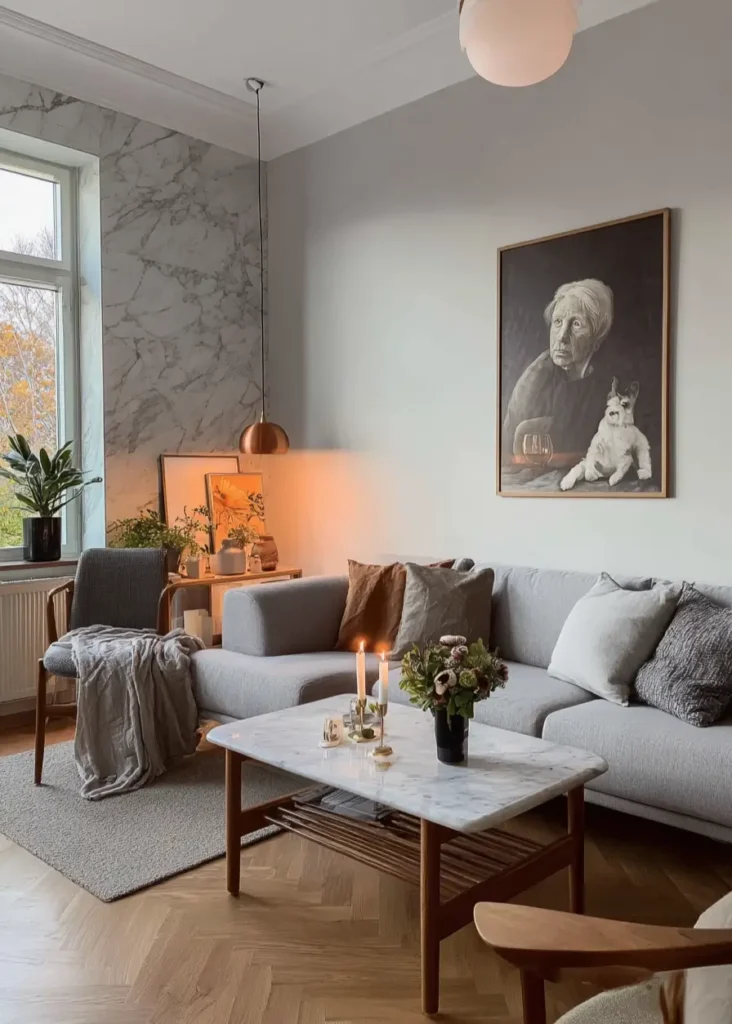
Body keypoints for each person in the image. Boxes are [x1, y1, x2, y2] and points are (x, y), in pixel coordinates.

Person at [502, 278, 615, 460]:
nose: (562, 336)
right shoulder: (536, 378)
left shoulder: (611, 385)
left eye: (576, 324)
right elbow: (507, 449)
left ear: (597, 340)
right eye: (558, 322)